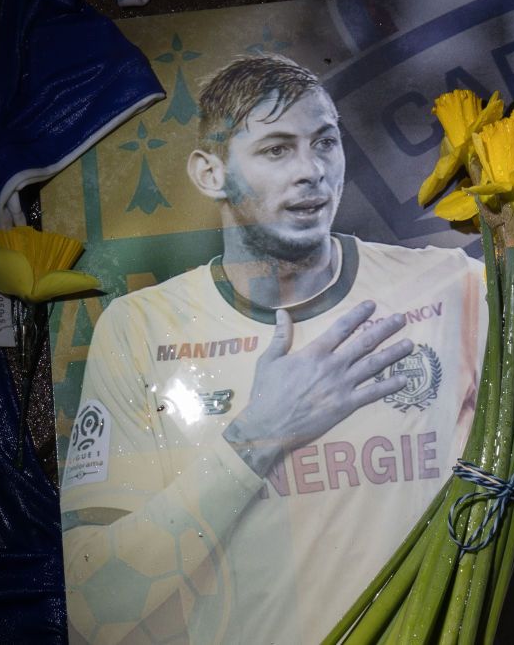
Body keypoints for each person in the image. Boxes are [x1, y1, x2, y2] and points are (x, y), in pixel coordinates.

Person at [59, 54, 486, 644]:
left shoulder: (452, 287)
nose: (312, 171)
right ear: (211, 175)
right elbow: (94, 601)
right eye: (277, 150)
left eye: (325, 143)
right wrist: (253, 440)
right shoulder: (140, 330)